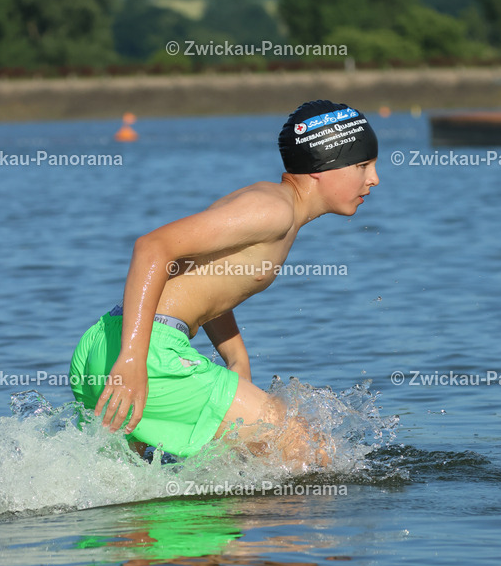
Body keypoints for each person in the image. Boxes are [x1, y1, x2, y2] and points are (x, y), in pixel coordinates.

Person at [69, 100, 379, 466]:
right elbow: (152, 248)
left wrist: (236, 357)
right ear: (320, 167)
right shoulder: (273, 210)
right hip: (144, 353)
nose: (373, 178)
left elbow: (206, 274)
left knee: (129, 498)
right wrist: (133, 358)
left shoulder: (271, 204)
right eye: (362, 165)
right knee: (306, 450)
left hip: (105, 343)